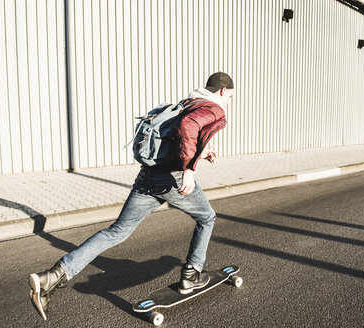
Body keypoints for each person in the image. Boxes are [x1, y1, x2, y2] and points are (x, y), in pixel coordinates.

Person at [29, 72, 235, 320]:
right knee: (207, 218)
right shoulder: (214, 108)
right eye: (231, 96)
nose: (230, 101)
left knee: (116, 232)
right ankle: (191, 275)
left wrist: (201, 153)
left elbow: (173, 140)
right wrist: (189, 170)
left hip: (148, 175)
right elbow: (187, 127)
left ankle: (52, 276)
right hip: (171, 178)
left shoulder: (189, 101)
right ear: (223, 91)